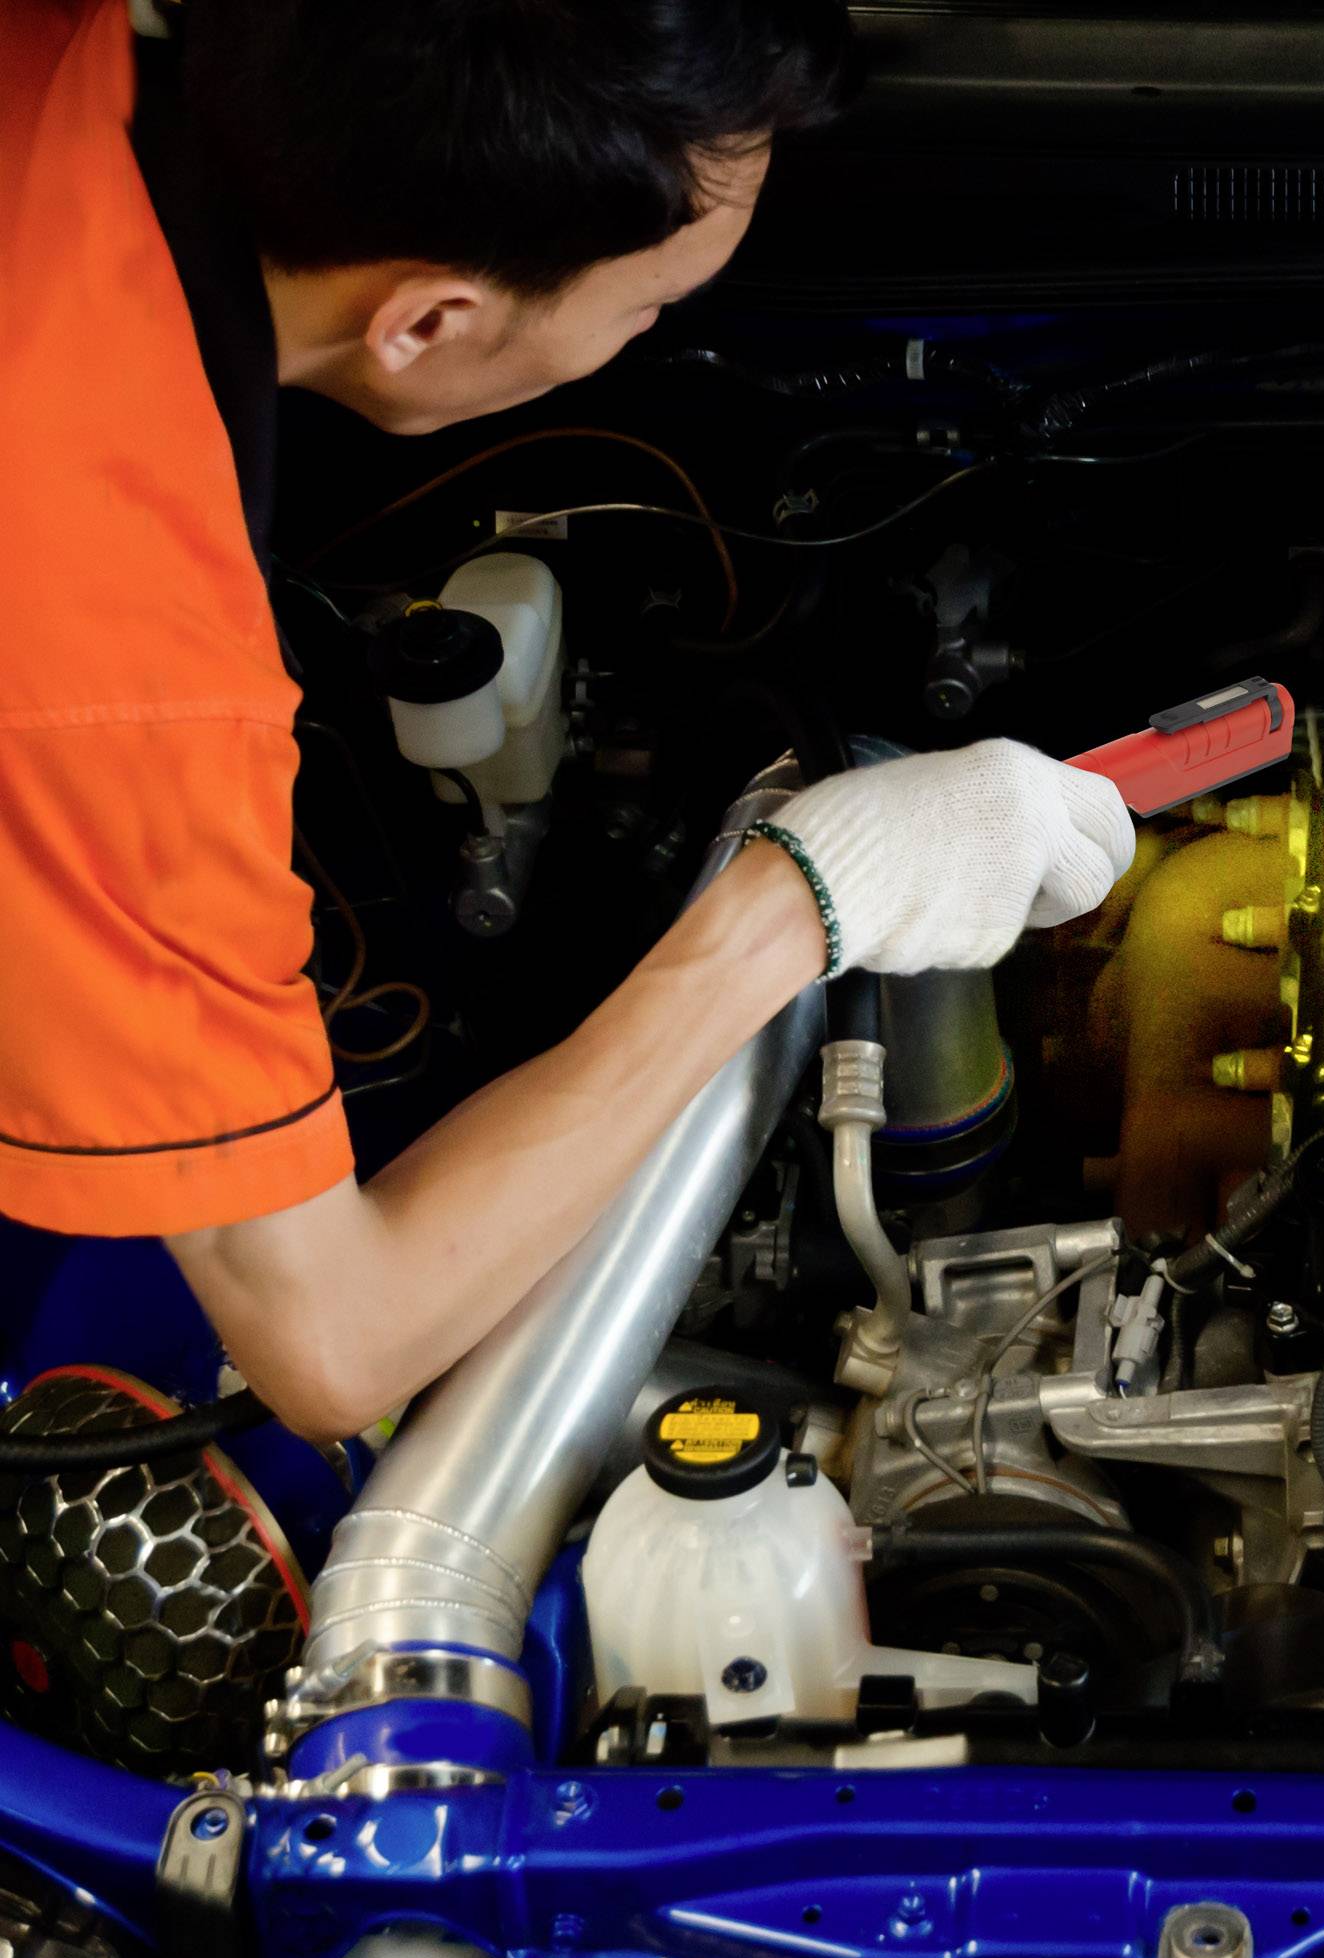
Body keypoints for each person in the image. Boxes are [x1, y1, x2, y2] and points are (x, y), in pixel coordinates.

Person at [0, 0, 1136, 1440]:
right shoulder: (120, 683)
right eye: (652, 310)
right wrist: (797, 906)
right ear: (426, 320)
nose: (660, 332)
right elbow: (334, 1340)